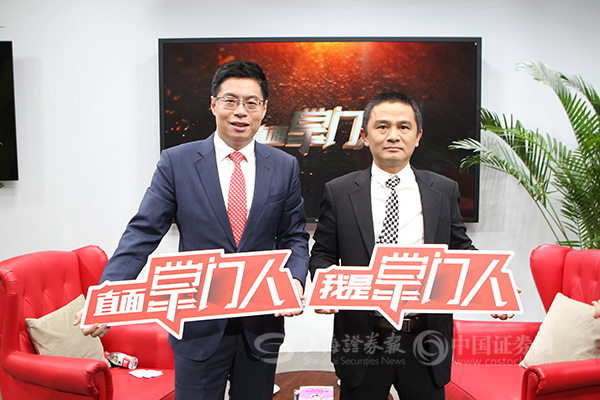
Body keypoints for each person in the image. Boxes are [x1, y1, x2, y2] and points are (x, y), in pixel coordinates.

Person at [75, 61, 309, 400]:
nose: (240, 111)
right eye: (230, 100)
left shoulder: (284, 166)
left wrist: (295, 279)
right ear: (213, 104)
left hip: (260, 324)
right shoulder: (177, 162)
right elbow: (142, 233)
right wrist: (106, 296)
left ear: (264, 109)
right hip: (198, 324)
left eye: (251, 102)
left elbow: (294, 235)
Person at [309, 91, 476, 400]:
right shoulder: (339, 191)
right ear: (364, 136)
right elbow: (322, 254)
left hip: (425, 338)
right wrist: (324, 286)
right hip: (362, 338)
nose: (393, 136)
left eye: (403, 127)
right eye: (382, 126)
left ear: (418, 136)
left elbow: (461, 250)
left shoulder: (443, 189)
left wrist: (496, 286)